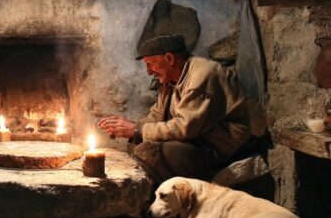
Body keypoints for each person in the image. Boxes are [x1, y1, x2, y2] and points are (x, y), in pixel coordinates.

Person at [97, 34, 250, 184]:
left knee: (162, 152)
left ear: (169, 58)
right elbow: (156, 116)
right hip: (195, 142)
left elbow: (186, 127)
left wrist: (138, 130)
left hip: (218, 150)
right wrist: (126, 127)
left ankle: (170, 198)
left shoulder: (202, 74)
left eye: (150, 64)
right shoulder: (170, 80)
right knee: (145, 148)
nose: (148, 71)